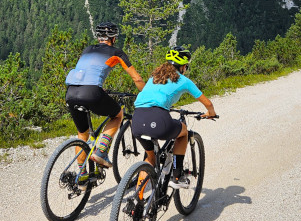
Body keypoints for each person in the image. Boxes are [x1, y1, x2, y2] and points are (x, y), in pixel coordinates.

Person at [65, 22, 146, 178]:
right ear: (114, 38)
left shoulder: (87, 50)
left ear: (99, 37)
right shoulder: (117, 52)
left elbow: (87, 71)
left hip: (71, 92)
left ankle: (81, 177)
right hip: (91, 92)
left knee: (82, 134)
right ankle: (101, 152)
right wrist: (147, 94)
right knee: (117, 114)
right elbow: (136, 78)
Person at [131, 46, 217, 189]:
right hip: (158, 120)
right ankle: (177, 176)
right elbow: (207, 103)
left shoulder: (154, 77)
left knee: (150, 158)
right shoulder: (184, 80)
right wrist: (211, 113)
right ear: (183, 66)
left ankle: (138, 200)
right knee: (183, 132)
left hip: (137, 120)